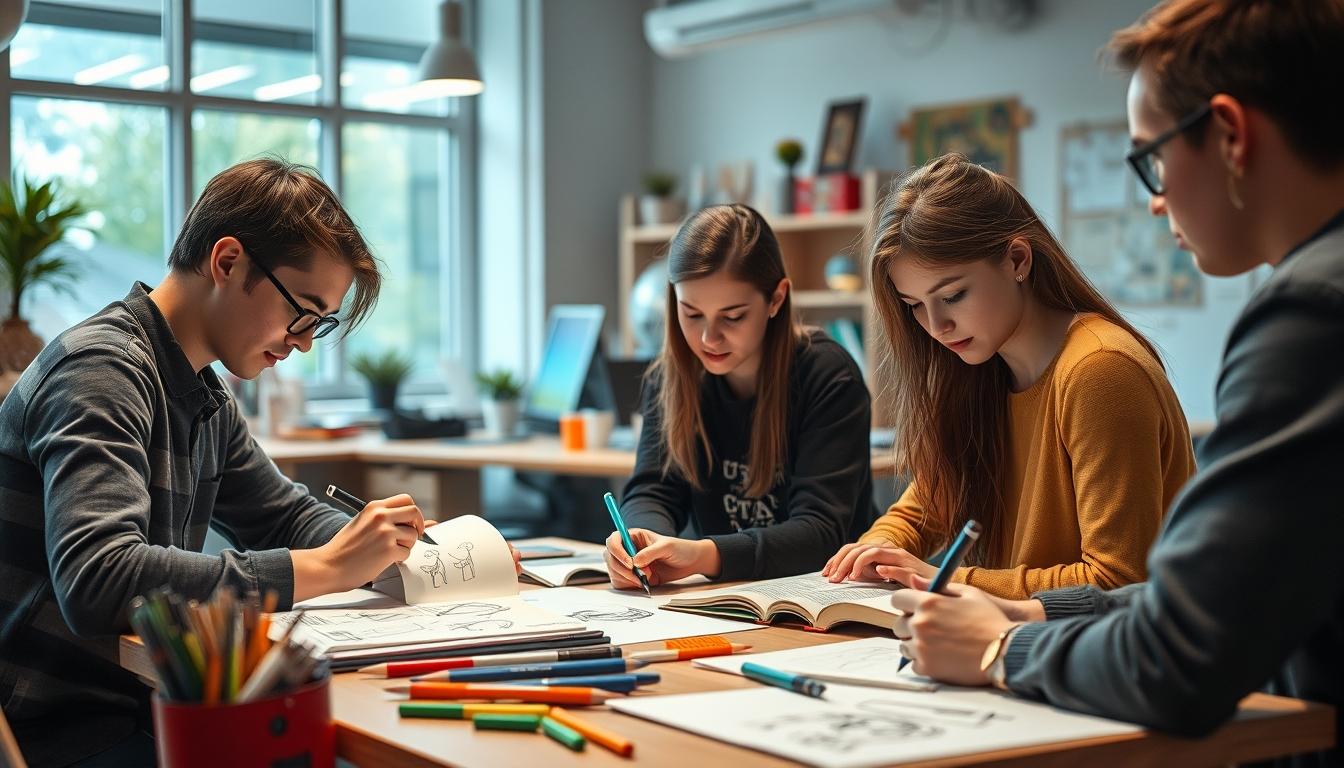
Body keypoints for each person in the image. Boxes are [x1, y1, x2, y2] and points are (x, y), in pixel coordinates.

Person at [888, 1, 1344, 762]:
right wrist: (1031, 613)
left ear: (1230, 135)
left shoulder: (1311, 320)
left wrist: (1004, 653)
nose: (1156, 197)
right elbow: (1206, 598)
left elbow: (1181, 653)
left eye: (1153, 157)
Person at [0, 158, 519, 766]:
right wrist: (327, 565)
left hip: (130, 707)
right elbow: (99, 578)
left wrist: (396, 556)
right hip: (52, 732)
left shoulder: (201, 393)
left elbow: (284, 518)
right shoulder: (101, 370)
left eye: (318, 324)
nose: (303, 340)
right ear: (227, 262)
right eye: (303, 310)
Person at [822, 154, 1195, 600]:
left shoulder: (1101, 370)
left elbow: (1116, 581)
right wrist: (879, 550)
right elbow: (923, 511)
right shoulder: (980, 368)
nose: (936, 326)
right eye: (914, 305)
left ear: (1018, 259)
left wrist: (938, 579)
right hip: (1027, 647)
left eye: (954, 295)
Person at [605, 204, 877, 587]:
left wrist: (701, 555)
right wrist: (639, 542)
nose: (707, 338)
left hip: (828, 596)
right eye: (691, 313)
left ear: (776, 299)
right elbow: (654, 490)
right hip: (732, 594)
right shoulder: (670, 376)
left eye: (732, 317)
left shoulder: (828, 374)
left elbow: (821, 534)